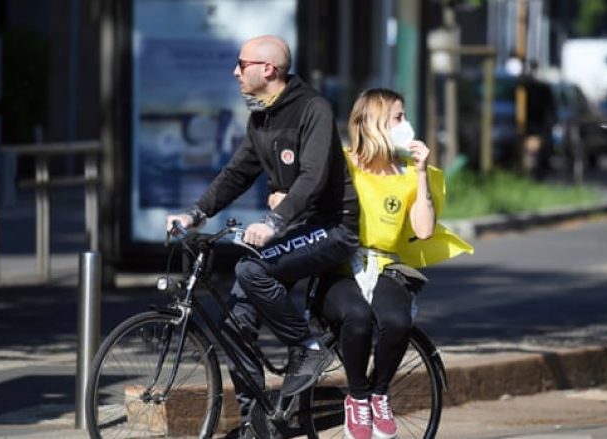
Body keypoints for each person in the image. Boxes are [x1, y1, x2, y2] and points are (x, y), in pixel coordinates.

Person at [165, 35, 359, 434]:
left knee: (251, 272)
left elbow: (313, 177)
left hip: (331, 226)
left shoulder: (313, 109)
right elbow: (236, 174)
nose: (235, 72)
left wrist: (274, 222)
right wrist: (194, 214)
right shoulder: (261, 117)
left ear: (268, 69)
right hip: (297, 226)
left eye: (241, 63)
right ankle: (259, 422)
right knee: (235, 325)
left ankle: (307, 349)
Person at [321, 88, 473, 439]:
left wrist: (420, 173)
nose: (408, 125)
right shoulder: (341, 164)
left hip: (386, 266)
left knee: (397, 320)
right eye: (399, 117)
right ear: (374, 122)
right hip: (339, 267)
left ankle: (378, 393)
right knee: (356, 318)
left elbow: (423, 229)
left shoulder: (408, 173)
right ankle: (357, 398)